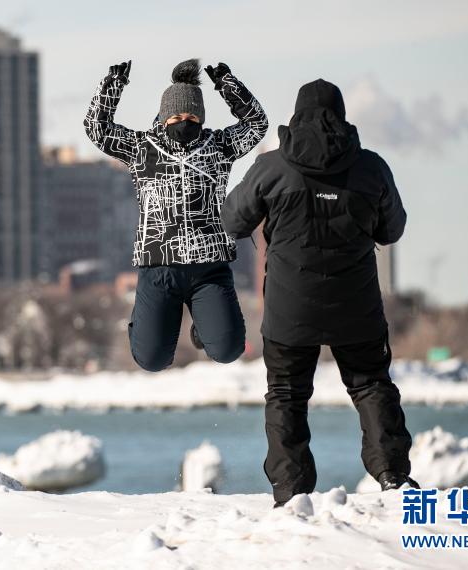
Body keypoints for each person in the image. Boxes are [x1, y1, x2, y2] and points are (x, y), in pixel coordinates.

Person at [220, 78, 418, 508]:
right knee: (370, 386)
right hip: (357, 306)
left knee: (287, 395)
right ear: (342, 117)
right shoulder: (371, 167)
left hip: (290, 310)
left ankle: (291, 494)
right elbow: (393, 229)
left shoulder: (271, 168)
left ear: (295, 116)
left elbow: (232, 221)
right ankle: (392, 476)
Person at [84, 59, 268, 372]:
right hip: (159, 266)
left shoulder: (218, 147)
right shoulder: (142, 148)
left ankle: (204, 327)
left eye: (193, 116)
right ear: (165, 117)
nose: (185, 122)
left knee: (227, 349)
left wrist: (227, 85)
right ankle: (149, 328)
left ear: (202, 118)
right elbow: (97, 129)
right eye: (178, 116)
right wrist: (113, 85)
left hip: (209, 267)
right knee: (152, 359)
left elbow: (256, 125)